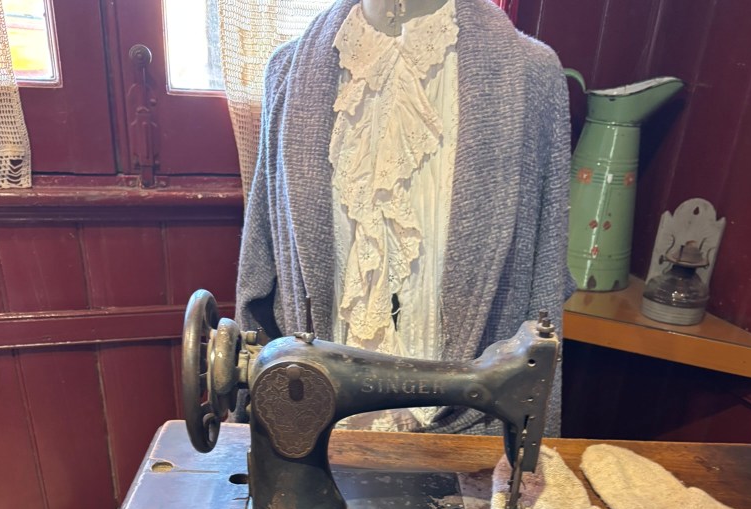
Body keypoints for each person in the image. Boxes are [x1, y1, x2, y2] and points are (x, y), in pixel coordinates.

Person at [235, 0, 575, 434]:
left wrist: (540, 442)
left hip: (474, 437)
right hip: (312, 424)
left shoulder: (532, 74)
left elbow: (545, 288)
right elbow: (259, 273)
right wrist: (244, 433)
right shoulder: (287, 73)